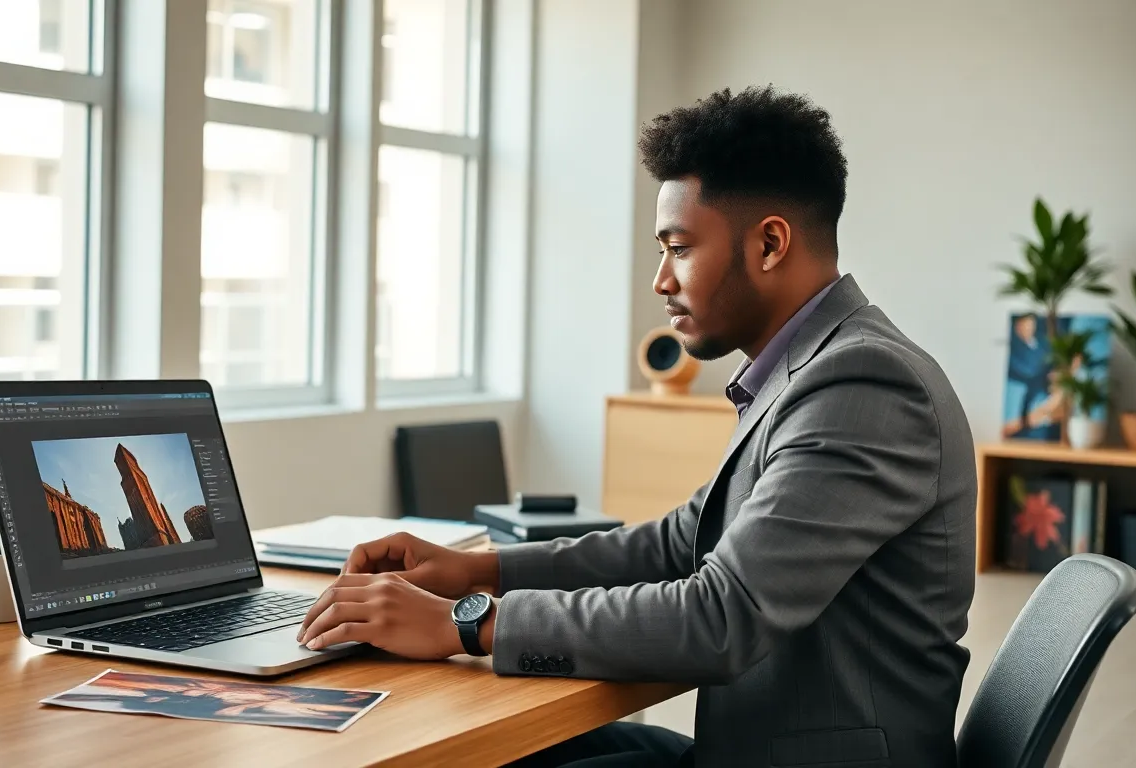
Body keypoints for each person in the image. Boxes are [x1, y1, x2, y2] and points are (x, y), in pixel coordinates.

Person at [297, 86, 978, 767]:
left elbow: (720, 616)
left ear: (770, 243)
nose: (661, 281)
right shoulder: (807, 372)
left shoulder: (862, 384)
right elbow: (682, 542)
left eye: (678, 248)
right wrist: (477, 570)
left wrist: (464, 623)